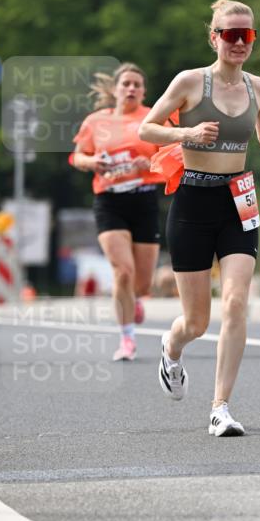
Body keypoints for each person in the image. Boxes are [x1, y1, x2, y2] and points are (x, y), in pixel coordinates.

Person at [139, 0, 260, 437]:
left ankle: (220, 406)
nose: (239, 43)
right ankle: (171, 346)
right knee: (197, 322)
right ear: (214, 37)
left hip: (239, 200)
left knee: (236, 302)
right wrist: (185, 132)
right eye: (230, 34)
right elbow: (147, 128)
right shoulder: (190, 83)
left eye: (247, 35)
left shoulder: (259, 87)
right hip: (193, 202)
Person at [70, 63, 164, 361]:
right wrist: (93, 161)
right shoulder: (96, 122)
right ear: (115, 89)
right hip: (109, 201)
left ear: (144, 91)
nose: (132, 89)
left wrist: (148, 165)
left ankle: (135, 298)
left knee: (143, 282)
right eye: (126, 84)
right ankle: (126, 339)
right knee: (122, 271)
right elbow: (77, 156)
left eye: (137, 84)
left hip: (145, 199)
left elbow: (173, 156)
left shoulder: (153, 118)